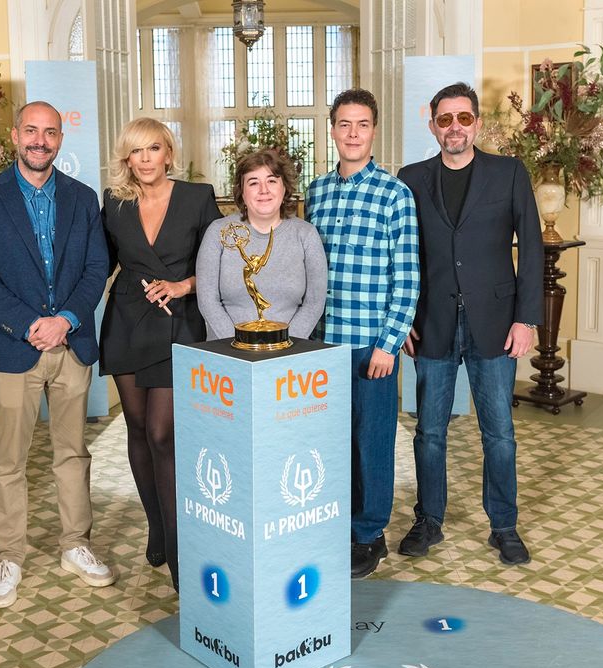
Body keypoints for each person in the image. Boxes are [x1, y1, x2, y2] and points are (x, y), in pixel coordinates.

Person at [0, 101, 113, 609]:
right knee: (10, 460)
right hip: (14, 347)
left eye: (50, 132)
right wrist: (31, 325)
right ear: (15, 136)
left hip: (72, 346)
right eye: (32, 131)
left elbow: (97, 268)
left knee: (73, 453)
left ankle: (76, 544)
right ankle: (9, 554)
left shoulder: (82, 198)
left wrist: (65, 320)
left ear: (60, 139)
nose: (41, 141)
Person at [396, 82, 543, 565]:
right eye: (445, 119)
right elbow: (402, 254)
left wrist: (526, 319)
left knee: (499, 432)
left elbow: (533, 249)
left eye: (464, 118)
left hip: (497, 323)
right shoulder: (411, 178)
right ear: (433, 124)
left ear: (477, 123)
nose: (454, 127)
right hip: (433, 322)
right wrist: (404, 320)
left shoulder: (509, 173)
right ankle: (429, 520)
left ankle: (504, 525)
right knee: (429, 432)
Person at [99, 117, 222, 591]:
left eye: (154, 148)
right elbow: (100, 261)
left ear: (169, 153)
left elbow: (217, 262)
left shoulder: (197, 196)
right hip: (127, 322)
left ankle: (178, 547)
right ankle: (155, 523)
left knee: (162, 432)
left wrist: (184, 284)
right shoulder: (114, 202)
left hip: (178, 322)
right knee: (135, 429)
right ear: (127, 158)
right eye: (136, 151)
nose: (145, 159)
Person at [306, 89, 420, 579]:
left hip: (371, 346)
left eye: (363, 124)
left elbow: (408, 277)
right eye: (344, 124)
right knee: (332, 442)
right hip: (324, 344)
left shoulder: (395, 194)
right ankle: (340, 523)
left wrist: (389, 344)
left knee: (372, 441)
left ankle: (370, 533)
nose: (353, 133)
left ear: (375, 131)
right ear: (332, 130)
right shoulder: (315, 193)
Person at [197, 149, 327, 340]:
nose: (263, 190)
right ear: (242, 191)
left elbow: (314, 302)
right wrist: (239, 344)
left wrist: (283, 344)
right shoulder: (218, 232)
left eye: (272, 181)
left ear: (285, 188)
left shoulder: (306, 234)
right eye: (253, 182)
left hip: (289, 355)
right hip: (228, 354)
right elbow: (207, 300)